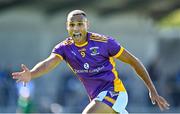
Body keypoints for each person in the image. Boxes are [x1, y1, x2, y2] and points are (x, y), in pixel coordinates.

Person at [12, 10, 170, 114]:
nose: (76, 29)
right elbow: (49, 63)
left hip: (115, 92)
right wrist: (31, 74)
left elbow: (134, 61)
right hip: (97, 98)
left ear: (87, 26)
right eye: (72, 25)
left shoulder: (104, 43)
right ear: (67, 27)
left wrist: (152, 89)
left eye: (80, 24)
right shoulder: (64, 48)